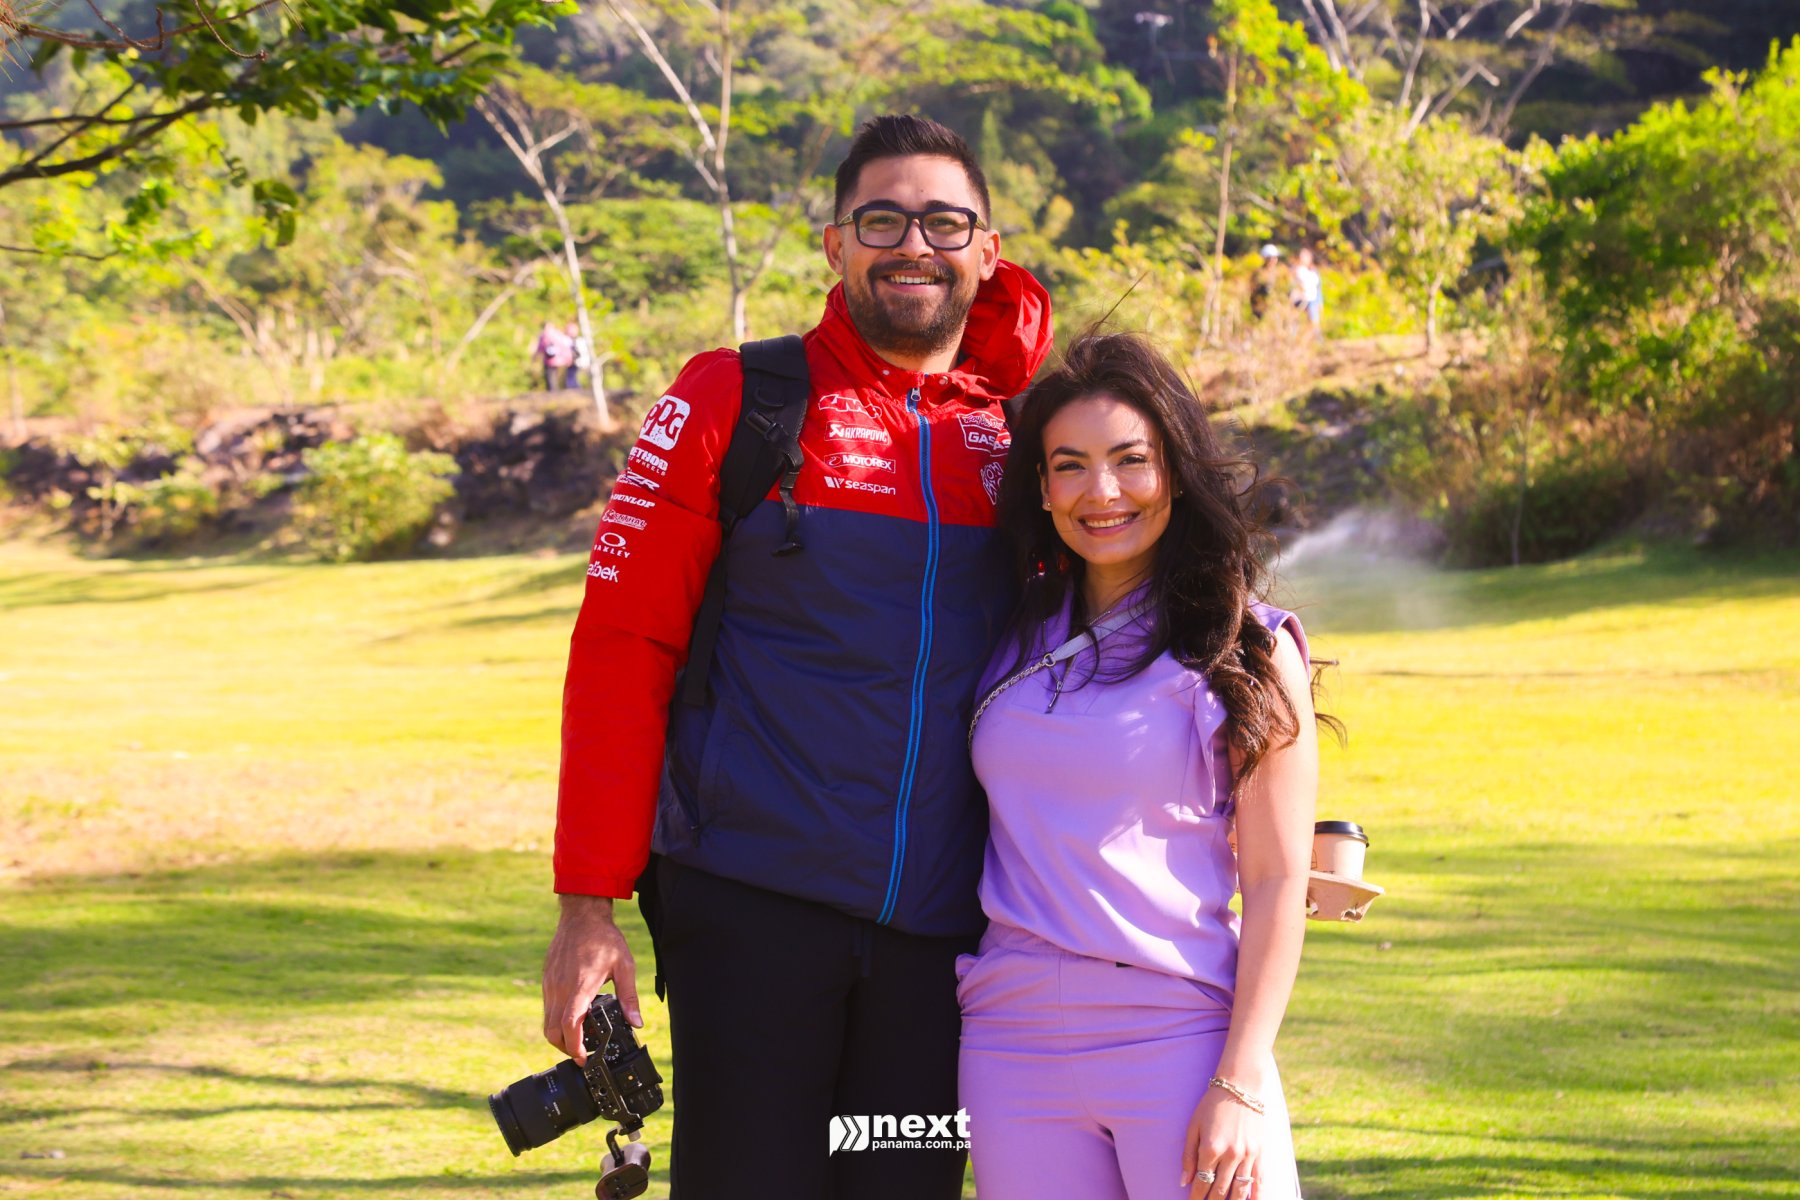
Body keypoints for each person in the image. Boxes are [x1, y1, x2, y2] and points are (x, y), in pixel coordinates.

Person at [544, 114, 1052, 1200]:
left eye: (944, 222)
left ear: (986, 250)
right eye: (882, 220)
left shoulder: (1025, 436)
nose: (913, 245)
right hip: (751, 919)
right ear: (835, 245)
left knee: (899, 1187)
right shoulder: (733, 398)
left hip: (941, 945)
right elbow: (623, 652)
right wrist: (588, 904)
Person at [959, 332, 1329, 1200]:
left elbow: (1276, 878)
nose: (1103, 491)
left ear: (1178, 472)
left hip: (1180, 1039)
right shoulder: (1008, 633)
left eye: (1132, 460)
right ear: (1041, 486)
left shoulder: (1246, 648)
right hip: (1010, 1045)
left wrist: (1241, 1079)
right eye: (1071, 466)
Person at [529, 319, 575, 391]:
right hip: (559, 359)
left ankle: (552, 390)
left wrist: (535, 356)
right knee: (555, 375)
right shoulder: (558, 334)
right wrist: (568, 358)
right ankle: (555, 390)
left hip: (549, 360)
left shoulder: (544, 335)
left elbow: (540, 347)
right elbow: (565, 347)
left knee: (549, 375)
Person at [1291, 247, 1323, 333]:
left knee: (1314, 322)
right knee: (1295, 321)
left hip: (1312, 300)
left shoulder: (1314, 271)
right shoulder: (1296, 270)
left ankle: (1316, 338)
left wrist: (1320, 302)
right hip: (1299, 300)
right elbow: (1292, 285)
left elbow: (1318, 287)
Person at [1249, 244, 1284, 321]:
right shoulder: (1258, 273)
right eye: (1271, 258)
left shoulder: (1278, 272)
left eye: (1275, 257)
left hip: (1274, 308)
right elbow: (1252, 290)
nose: (1273, 260)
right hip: (1260, 308)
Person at [566, 320, 591, 390]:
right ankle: (574, 388)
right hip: (573, 360)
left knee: (573, 376)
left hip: (576, 361)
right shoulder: (571, 340)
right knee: (572, 375)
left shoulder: (578, 341)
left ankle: (575, 388)